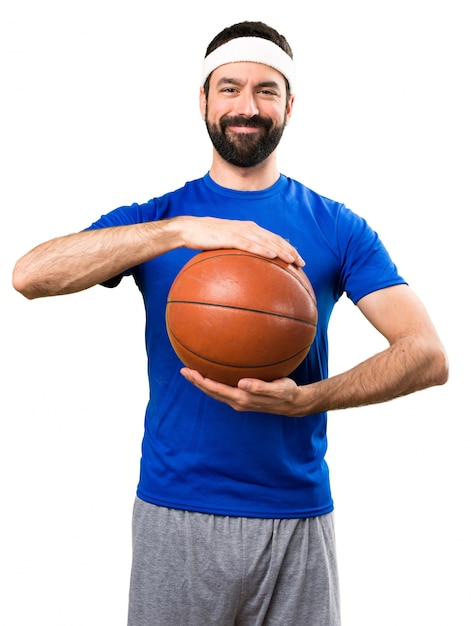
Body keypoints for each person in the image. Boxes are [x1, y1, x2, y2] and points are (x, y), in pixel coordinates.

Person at [12, 20, 448, 626]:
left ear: (290, 105)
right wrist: (183, 231)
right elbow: (31, 275)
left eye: (267, 90)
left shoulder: (336, 225)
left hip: (296, 517)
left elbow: (427, 354)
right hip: (176, 512)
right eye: (230, 88)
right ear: (203, 100)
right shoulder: (157, 219)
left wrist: (310, 399)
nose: (248, 107)